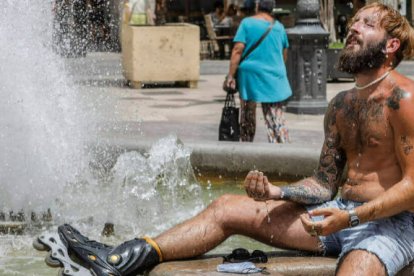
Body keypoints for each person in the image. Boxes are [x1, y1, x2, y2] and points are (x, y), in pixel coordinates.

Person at [54, 3, 414, 276]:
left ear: (391, 45)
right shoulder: (341, 105)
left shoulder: (405, 100)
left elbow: (412, 187)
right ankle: (119, 260)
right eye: (354, 22)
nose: (353, 28)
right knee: (226, 207)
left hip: (391, 224)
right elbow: (324, 184)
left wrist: (349, 221)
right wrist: (278, 193)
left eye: (367, 24)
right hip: (340, 215)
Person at [225, 0, 291, 143]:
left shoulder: (247, 23)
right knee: (275, 115)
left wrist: (231, 75)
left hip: (250, 75)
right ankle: (282, 147)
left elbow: (237, 50)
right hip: (274, 75)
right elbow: (284, 52)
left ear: (257, 7)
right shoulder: (279, 27)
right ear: (272, 9)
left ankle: (246, 145)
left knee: (248, 113)